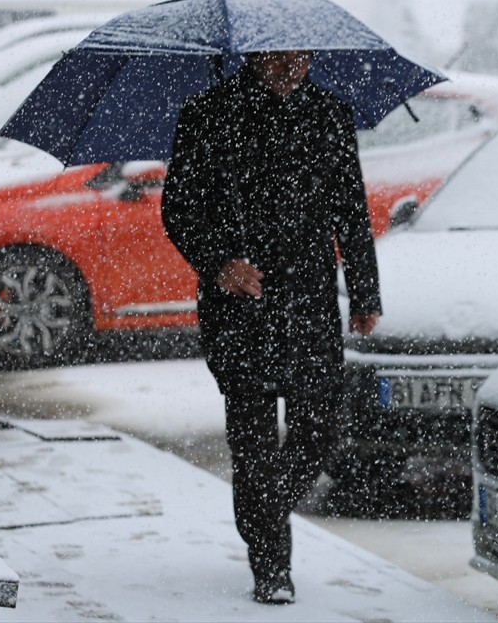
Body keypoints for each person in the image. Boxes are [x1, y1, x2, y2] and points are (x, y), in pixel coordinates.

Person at [161, 50, 381, 605]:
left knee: (322, 428)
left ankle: (262, 509)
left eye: (302, 56)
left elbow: (350, 209)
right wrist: (220, 263)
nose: (292, 66)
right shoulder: (207, 113)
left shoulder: (329, 113)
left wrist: (365, 291)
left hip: (308, 301)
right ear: (255, 55)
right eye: (279, 57)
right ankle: (272, 569)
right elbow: (179, 208)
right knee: (254, 441)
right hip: (240, 306)